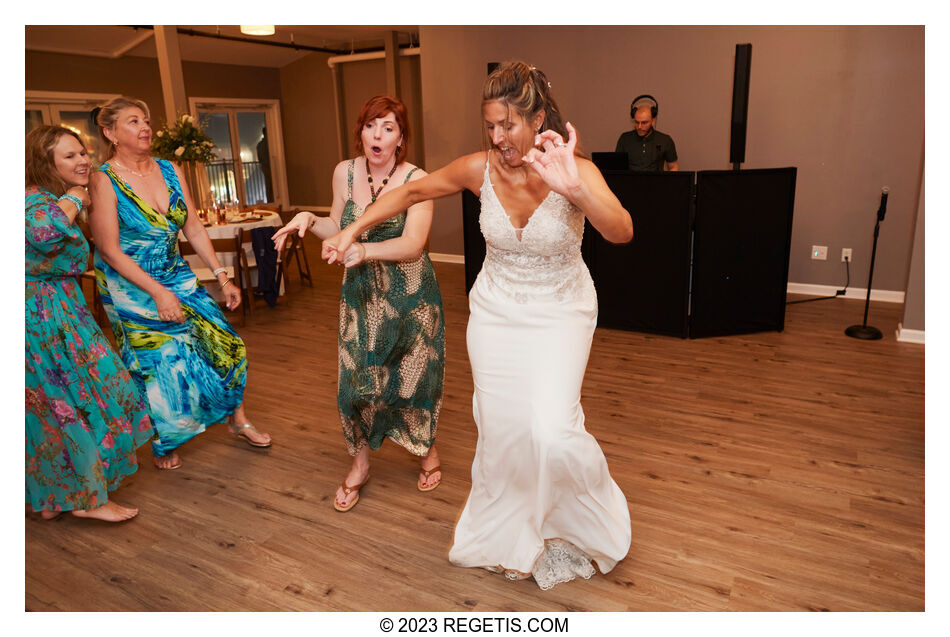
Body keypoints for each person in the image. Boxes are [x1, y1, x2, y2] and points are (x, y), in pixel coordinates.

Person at [322, 62, 633, 589]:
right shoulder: (477, 168)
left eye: (507, 125)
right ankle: (509, 530)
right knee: (503, 427)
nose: (497, 137)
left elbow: (622, 231)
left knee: (553, 430)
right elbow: (411, 194)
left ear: (537, 119)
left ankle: (579, 519)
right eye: (489, 125)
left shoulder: (574, 168)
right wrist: (353, 227)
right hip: (495, 311)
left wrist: (574, 188)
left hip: (560, 308)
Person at [272, 95, 444, 512]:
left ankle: (426, 450)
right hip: (360, 297)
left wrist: (364, 252)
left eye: (387, 127)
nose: (377, 135)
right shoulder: (344, 173)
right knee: (354, 386)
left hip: (410, 299)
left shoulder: (417, 179)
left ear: (401, 137)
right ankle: (360, 464)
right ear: (360, 131)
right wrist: (308, 221)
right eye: (370, 126)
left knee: (412, 380)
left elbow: (413, 244)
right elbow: (337, 224)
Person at [88, 96, 272, 471]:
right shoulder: (102, 179)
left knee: (226, 344)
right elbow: (108, 249)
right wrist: (157, 293)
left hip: (174, 271)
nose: (145, 127)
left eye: (146, 120)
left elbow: (192, 225)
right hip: (130, 283)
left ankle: (237, 420)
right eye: (133, 121)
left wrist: (222, 276)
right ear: (110, 133)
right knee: (159, 364)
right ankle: (164, 441)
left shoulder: (169, 168)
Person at [26, 125, 153, 522]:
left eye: (83, 152)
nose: (83, 160)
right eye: (70, 156)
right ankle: (89, 501)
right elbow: (46, 233)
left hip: (62, 307)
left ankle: (58, 496)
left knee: (55, 404)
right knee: (73, 400)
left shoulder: (45, 197)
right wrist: (75, 197)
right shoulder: (35, 200)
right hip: (42, 317)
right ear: (45, 164)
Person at [615, 95, 679, 171]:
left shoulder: (665, 140)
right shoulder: (624, 139)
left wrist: (669, 182)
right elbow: (617, 168)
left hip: (656, 182)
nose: (639, 126)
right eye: (636, 122)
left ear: (653, 121)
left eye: (644, 123)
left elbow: (673, 167)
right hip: (630, 182)